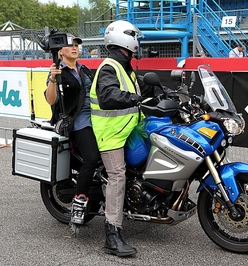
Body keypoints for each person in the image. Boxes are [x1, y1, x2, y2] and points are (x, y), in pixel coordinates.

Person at [90, 20, 154, 257]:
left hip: (130, 129)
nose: (137, 42)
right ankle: (112, 236)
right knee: (118, 175)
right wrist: (135, 100)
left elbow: (139, 92)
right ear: (125, 38)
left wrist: (166, 92)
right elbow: (108, 96)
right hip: (111, 134)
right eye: (134, 37)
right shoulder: (109, 67)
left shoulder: (125, 67)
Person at [44, 34, 99, 226]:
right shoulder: (58, 72)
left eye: (76, 45)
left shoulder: (85, 69)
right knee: (91, 158)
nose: (75, 47)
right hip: (77, 121)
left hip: (97, 118)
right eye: (70, 45)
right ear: (60, 51)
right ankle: (79, 202)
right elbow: (51, 100)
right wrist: (52, 79)